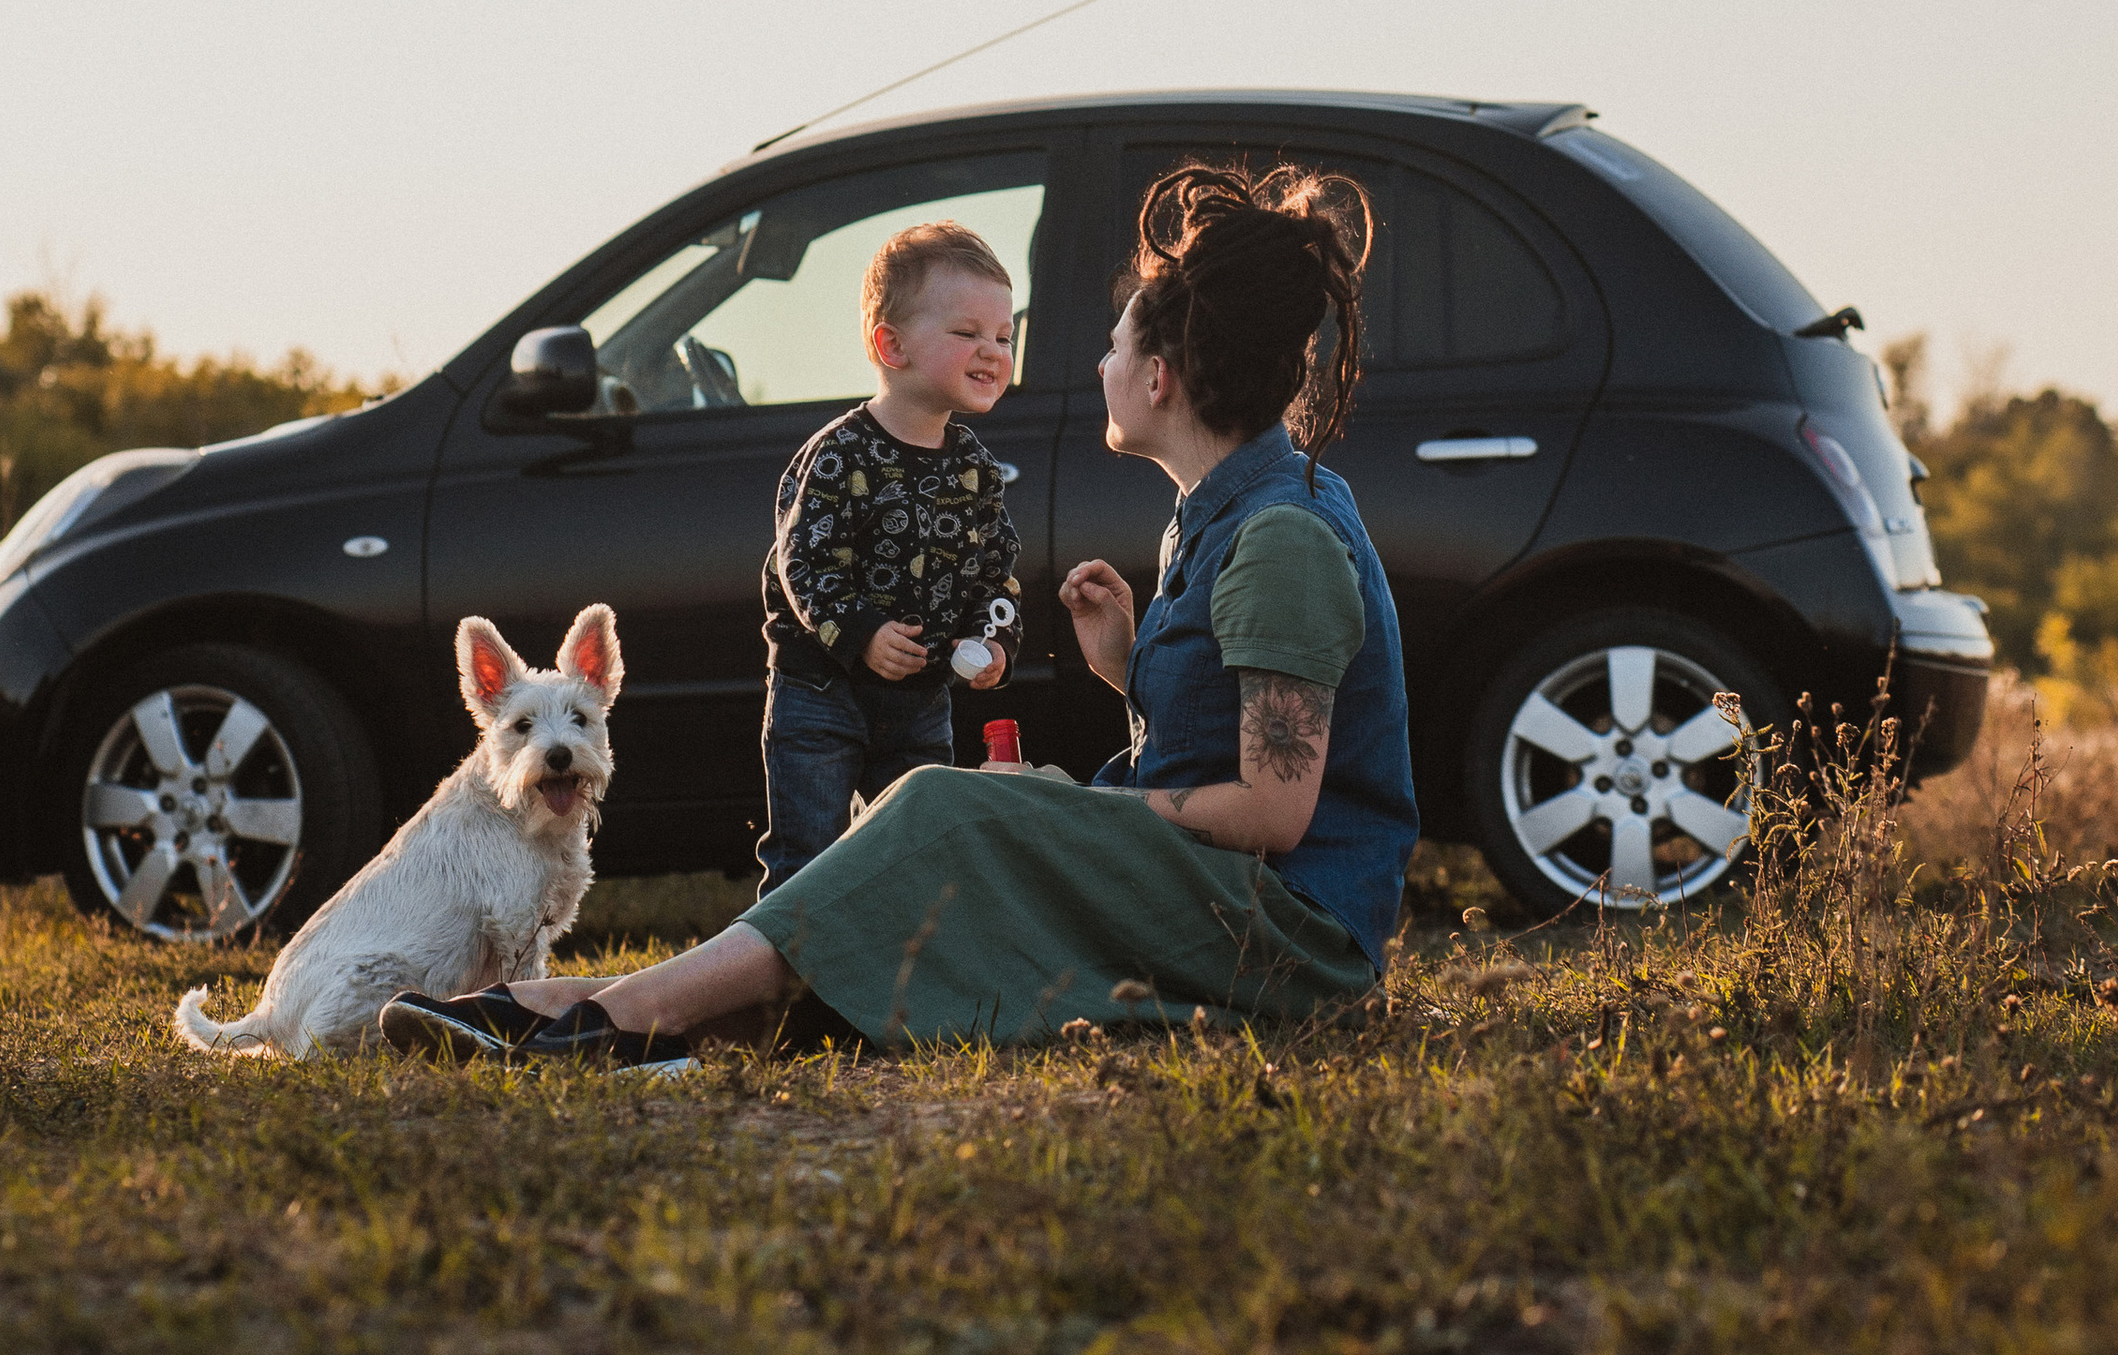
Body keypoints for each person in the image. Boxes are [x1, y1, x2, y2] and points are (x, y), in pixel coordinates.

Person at [378, 162, 1418, 1069]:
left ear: (1157, 376)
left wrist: (1058, 817)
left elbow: (1277, 815)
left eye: (1110, 347)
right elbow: (1228, 736)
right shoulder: (1220, 516)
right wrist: (1128, 665)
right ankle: (558, 1009)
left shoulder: (1280, 534)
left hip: (1290, 946)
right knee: (937, 854)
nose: (1093, 367)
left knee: (940, 804)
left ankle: (614, 1020)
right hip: (1220, 904)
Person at [753, 217, 1023, 896]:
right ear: (891, 345)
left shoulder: (977, 470)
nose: (991, 351)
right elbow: (802, 566)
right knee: (807, 857)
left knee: (918, 853)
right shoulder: (841, 454)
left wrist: (993, 643)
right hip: (821, 692)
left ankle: (896, 987)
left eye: (1004, 336)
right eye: (967, 333)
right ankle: (783, 988)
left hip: (919, 700)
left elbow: (996, 576)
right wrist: (864, 633)